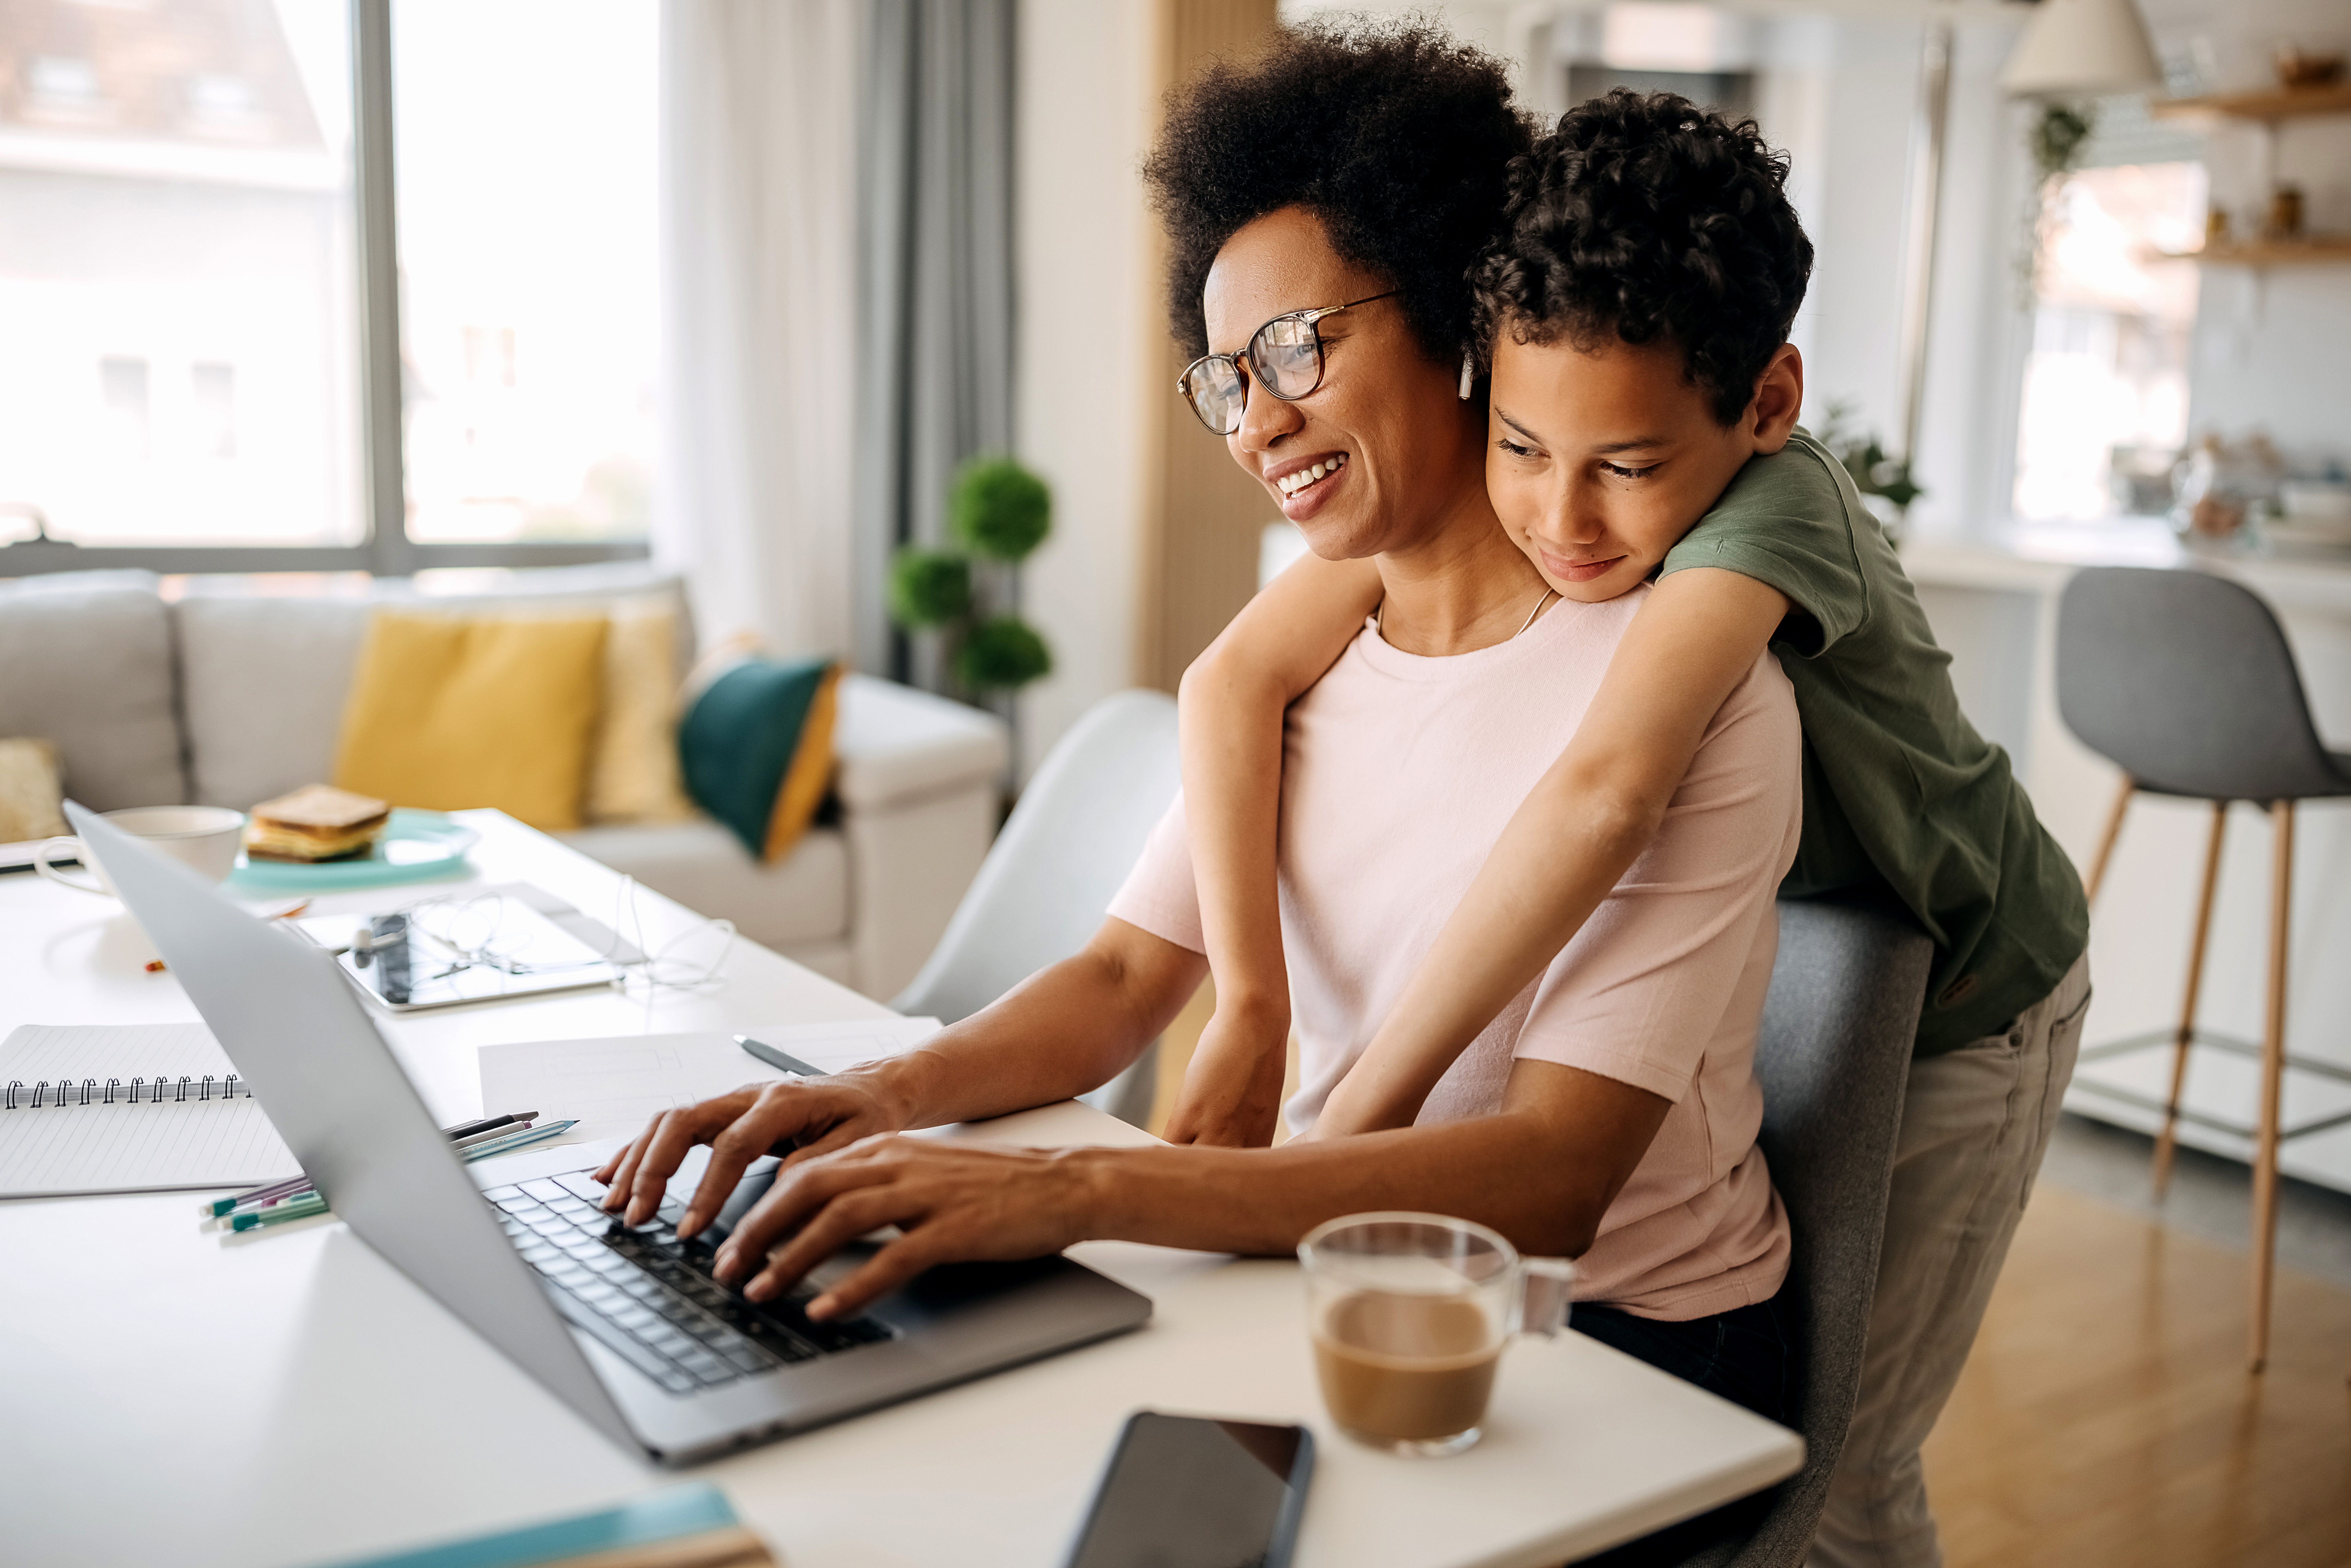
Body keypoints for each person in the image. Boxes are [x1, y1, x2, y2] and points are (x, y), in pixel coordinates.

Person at [598, 22, 1807, 1477]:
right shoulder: (1302, 662)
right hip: (1329, 1266)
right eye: (1227, 375)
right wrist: (886, 1089)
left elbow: (1552, 1179)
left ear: (1455, 316)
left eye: (1297, 346)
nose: (1258, 420)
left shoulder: (1686, 692)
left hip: (1614, 1342)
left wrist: (1084, 1186)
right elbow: (1120, 980)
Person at [1165, 88, 2093, 1568]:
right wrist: (1252, 1013)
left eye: (1627, 469)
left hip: (1976, 996)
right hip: (1801, 936)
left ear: (1766, 407)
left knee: (1851, 1471)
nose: (1559, 520)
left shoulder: (1768, 521)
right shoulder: (1509, 496)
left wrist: (1354, 1111)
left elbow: (1603, 791)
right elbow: (1229, 673)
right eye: (1522, 447)